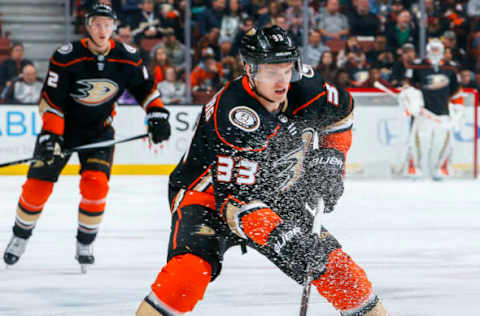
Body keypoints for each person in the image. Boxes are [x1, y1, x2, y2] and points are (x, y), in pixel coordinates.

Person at [136, 26, 388, 316]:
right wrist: (283, 237)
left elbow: (341, 115)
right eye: (271, 71)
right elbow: (234, 204)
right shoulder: (233, 115)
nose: (282, 80)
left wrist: (331, 158)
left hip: (277, 193)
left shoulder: (305, 85)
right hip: (208, 195)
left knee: (342, 275)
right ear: (249, 69)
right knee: (187, 276)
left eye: (286, 68)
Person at [2, 4, 171, 271]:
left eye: (108, 24)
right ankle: (20, 236)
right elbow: (52, 101)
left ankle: (85, 242)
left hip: (98, 132)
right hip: (62, 131)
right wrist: (51, 137)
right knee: (37, 187)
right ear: (88, 26)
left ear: (114, 27)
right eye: (97, 24)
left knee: (96, 185)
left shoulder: (129, 57)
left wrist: (157, 114)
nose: (103, 30)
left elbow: (145, 89)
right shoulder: (67, 56)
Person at [399, 39, 463, 179]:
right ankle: (414, 168)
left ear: (442, 50)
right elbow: (407, 87)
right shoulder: (417, 67)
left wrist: (457, 112)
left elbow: (457, 93)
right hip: (422, 114)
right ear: (428, 50)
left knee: (443, 144)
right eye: (432, 48)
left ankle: (441, 169)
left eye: (437, 49)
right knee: (418, 143)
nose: (435, 51)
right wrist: (411, 103)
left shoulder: (451, 68)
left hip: (443, 114)